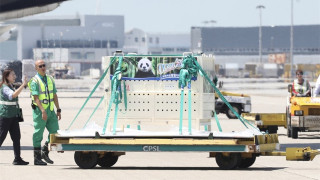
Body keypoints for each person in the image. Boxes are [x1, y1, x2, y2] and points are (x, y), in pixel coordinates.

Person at [28, 60, 61, 166]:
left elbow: (54, 95)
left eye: (44, 65)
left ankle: (44, 151)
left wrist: (58, 109)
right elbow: (36, 98)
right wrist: (42, 111)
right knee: (38, 134)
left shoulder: (50, 79)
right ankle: (37, 158)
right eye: (40, 66)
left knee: (54, 132)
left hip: (51, 110)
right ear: (36, 68)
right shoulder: (34, 81)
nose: (43, 67)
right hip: (40, 110)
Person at [0, 69, 29, 165]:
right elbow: (12, 95)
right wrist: (22, 85)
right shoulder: (4, 87)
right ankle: (17, 158)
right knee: (1, 137)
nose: (14, 76)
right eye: (13, 74)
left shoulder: (10, 85)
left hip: (13, 116)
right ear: (7, 76)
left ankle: (17, 158)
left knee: (16, 137)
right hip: (5, 116)